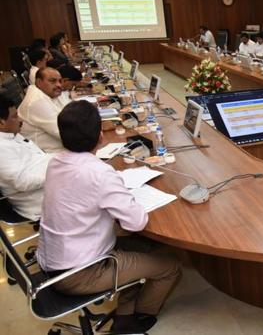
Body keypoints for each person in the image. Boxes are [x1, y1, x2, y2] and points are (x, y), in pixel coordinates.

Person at [36, 101, 181, 333]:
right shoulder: (100, 173)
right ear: (100, 135)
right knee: (170, 267)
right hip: (79, 273)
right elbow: (137, 221)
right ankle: (138, 319)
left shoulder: (56, 162)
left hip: (54, 260)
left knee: (141, 246)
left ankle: (125, 312)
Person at [0, 92, 51, 221]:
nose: (20, 121)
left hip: (54, 186)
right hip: (40, 204)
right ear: (1, 123)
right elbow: (22, 182)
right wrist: (59, 169)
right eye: (15, 117)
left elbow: (39, 158)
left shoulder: (12, 134)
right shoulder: (2, 148)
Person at [18, 67, 70, 153]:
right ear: (39, 82)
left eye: (60, 81)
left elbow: (71, 112)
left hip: (61, 147)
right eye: (52, 81)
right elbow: (66, 133)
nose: (59, 85)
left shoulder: (49, 93)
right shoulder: (36, 101)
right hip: (47, 154)